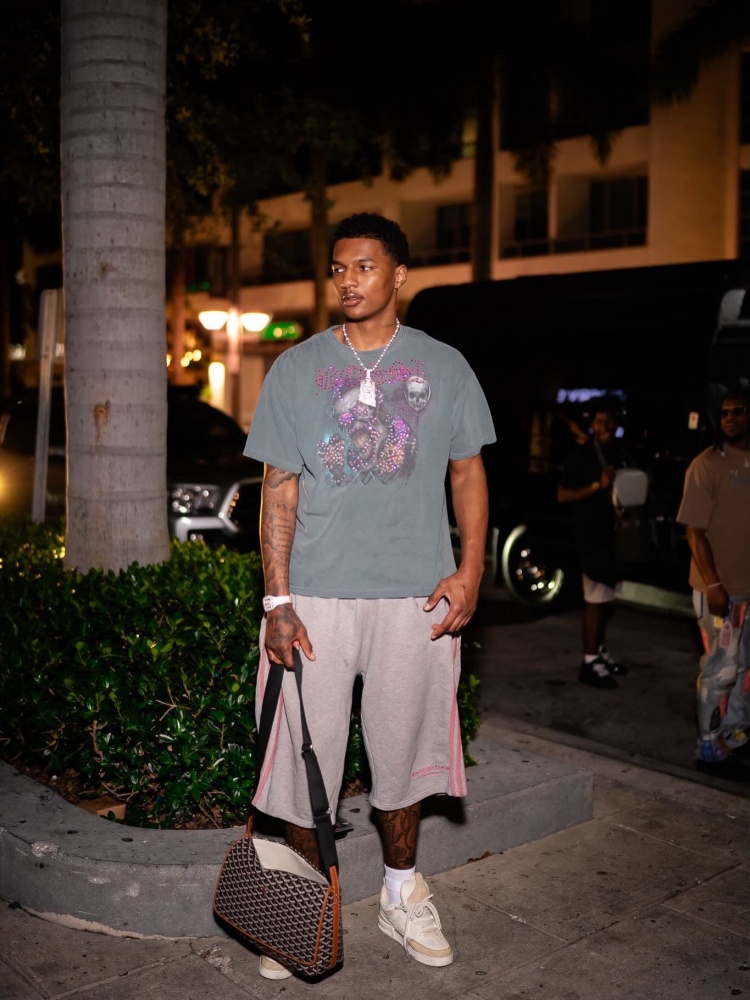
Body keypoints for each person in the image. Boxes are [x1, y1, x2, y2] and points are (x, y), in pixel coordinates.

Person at [243, 212, 496, 979]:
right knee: (301, 767)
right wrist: (277, 602)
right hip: (315, 602)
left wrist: (471, 570)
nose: (347, 280)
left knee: (404, 759)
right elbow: (278, 489)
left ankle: (400, 892)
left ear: (398, 275)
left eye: (363, 266)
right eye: (338, 268)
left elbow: (467, 473)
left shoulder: (445, 366)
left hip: (415, 601)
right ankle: (297, 911)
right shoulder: (295, 369)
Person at [676, 385, 750, 781]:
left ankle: (734, 737)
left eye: (738, 411)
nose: (730, 418)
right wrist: (714, 585)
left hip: (748, 591)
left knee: (744, 670)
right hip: (720, 592)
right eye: (724, 413)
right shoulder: (705, 466)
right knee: (721, 671)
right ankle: (708, 746)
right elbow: (694, 533)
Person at [556, 402, 633, 689]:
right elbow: (562, 495)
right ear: (592, 425)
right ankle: (589, 662)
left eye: (610, 420)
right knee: (595, 599)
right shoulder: (583, 454)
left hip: (614, 537)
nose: (605, 426)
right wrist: (596, 486)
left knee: (606, 599)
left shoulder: (618, 452)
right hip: (591, 537)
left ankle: (599, 652)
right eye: (600, 421)